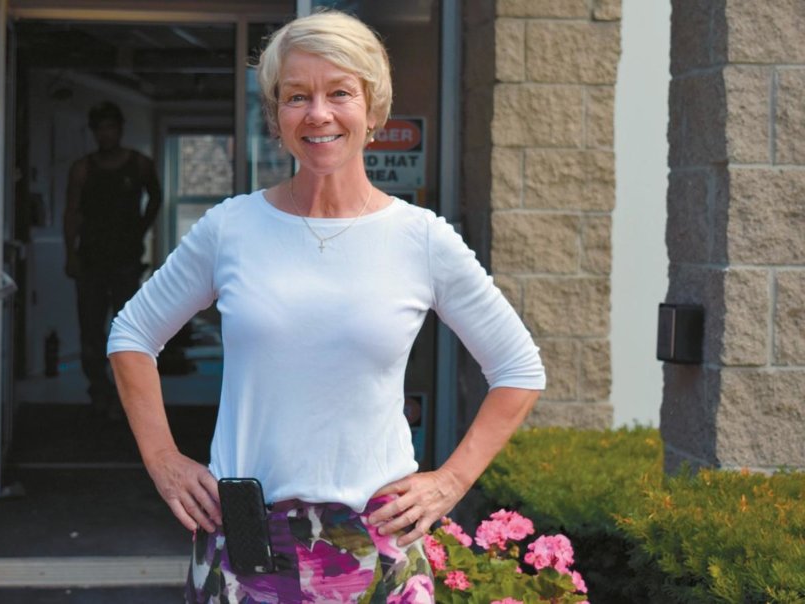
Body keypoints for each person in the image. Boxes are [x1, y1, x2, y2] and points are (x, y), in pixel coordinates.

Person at [108, 11, 545, 603]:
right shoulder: (231, 229)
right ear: (276, 116)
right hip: (245, 546)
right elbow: (132, 335)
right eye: (297, 96)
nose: (318, 113)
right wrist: (163, 459)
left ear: (373, 108)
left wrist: (451, 481)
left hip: (376, 542)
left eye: (340, 92)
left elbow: (518, 369)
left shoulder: (421, 238)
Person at [65, 101, 162, 418]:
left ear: (120, 129)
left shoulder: (139, 164)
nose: (105, 134)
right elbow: (71, 212)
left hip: (125, 260)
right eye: (100, 129)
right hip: (91, 259)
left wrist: (140, 230)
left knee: (127, 331)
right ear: (94, 132)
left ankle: (127, 395)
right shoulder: (83, 169)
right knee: (91, 330)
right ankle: (99, 390)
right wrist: (70, 254)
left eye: (111, 127)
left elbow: (156, 197)